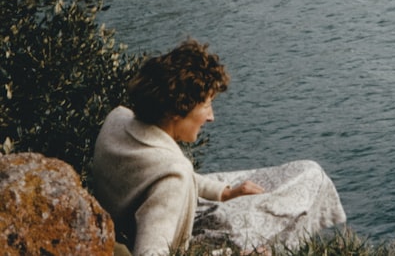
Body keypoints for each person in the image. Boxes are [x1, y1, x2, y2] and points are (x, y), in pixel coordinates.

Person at [91, 39, 346, 256]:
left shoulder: (119, 118)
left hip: (142, 211)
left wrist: (224, 193)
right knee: (307, 184)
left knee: (308, 171)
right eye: (206, 105)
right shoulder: (173, 178)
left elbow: (155, 174)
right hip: (187, 234)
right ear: (177, 110)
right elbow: (152, 248)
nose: (211, 117)